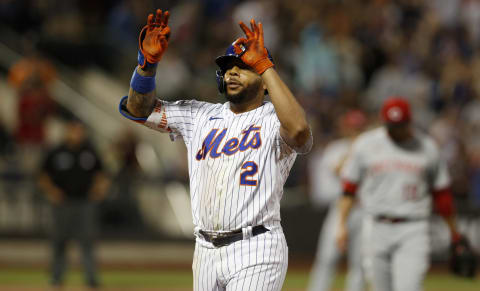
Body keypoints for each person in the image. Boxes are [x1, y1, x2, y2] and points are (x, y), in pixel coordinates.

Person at [119, 9, 312, 291]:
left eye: (243, 66)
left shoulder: (275, 118)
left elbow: (299, 133)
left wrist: (265, 66)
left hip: (256, 246)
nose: (233, 71)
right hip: (205, 250)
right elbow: (137, 110)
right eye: (228, 67)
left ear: (262, 76)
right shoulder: (199, 115)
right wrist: (146, 67)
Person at [336, 97, 463, 291]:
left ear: (410, 122)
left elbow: (442, 195)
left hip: (414, 228)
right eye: (391, 125)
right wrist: (341, 225)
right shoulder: (366, 144)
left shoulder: (427, 147)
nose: (395, 130)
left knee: (409, 287)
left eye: (400, 125)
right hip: (375, 226)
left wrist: (454, 233)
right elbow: (349, 188)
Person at [38, 117, 110, 290]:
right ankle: (56, 277)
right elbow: (43, 175)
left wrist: (99, 190)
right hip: (62, 203)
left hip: (85, 202)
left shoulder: (90, 152)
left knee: (87, 241)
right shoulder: (57, 151)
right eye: (75, 130)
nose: (78, 134)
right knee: (59, 241)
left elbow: (102, 173)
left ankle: (91, 278)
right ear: (68, 131)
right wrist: (52, 192)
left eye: (80, 130)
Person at [307, 110, 367, 291]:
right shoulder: (336, 148)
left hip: (364, 210)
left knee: (360, 262)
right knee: (327, 257)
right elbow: (339, 171)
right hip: (340, 208)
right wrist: (355, 150)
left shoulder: (372, 149)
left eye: (358, 127)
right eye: (351, 127)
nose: (354, 131)